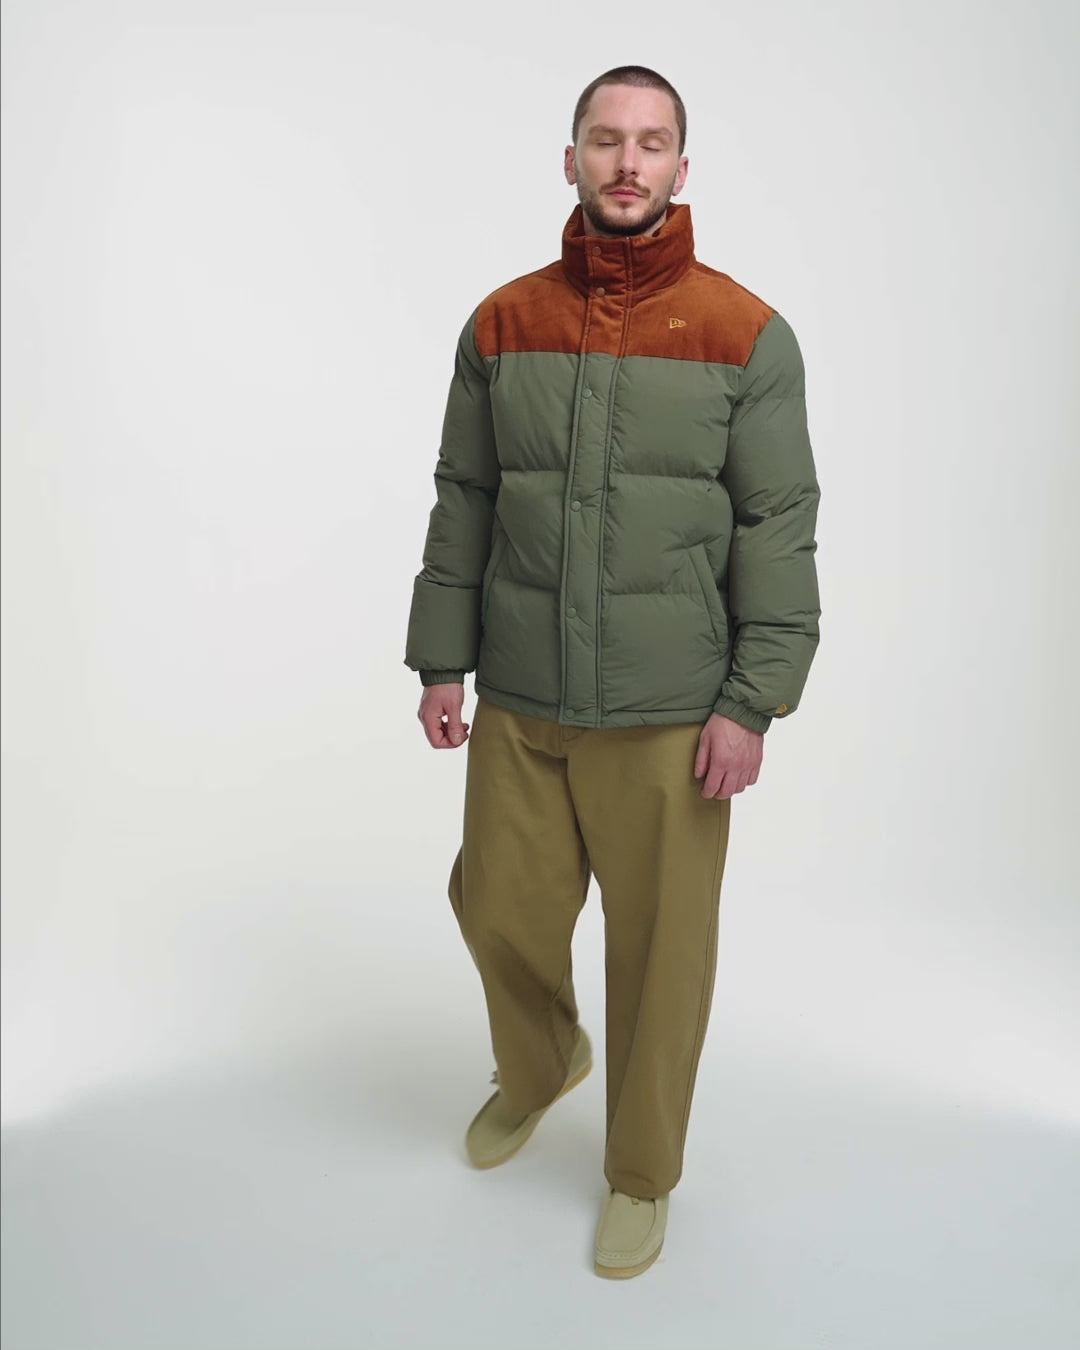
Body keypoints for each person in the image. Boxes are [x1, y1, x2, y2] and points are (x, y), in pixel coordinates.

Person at [404, 64, 821, 1280]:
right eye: (605, 139)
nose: (627, 162)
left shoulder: (746, 333)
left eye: (650, 143)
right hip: (522, 694)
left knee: (661, 955)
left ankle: (640, 1173)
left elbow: (778, 524)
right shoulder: (502, 323)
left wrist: (754, 700)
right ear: (572, 158)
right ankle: (542, 1064)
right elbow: (466, 496)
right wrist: (442, 659)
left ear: (682, 168)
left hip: (668, 714)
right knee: (495, 903)